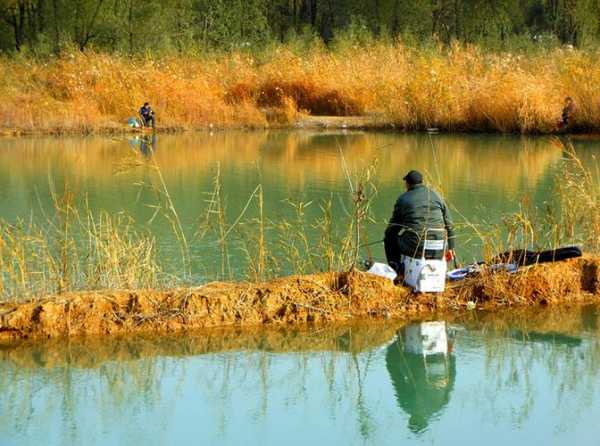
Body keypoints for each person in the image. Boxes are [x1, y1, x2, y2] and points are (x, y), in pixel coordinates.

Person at [384, 170, 455, 273]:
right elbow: (450, 225)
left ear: (407, 184)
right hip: (439, 249)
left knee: (389, 238)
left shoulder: (403, 199)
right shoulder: (437, 196)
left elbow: (393, 228)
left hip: (416, 249)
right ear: (422, 182)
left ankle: (396, 269)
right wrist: (451, 248)